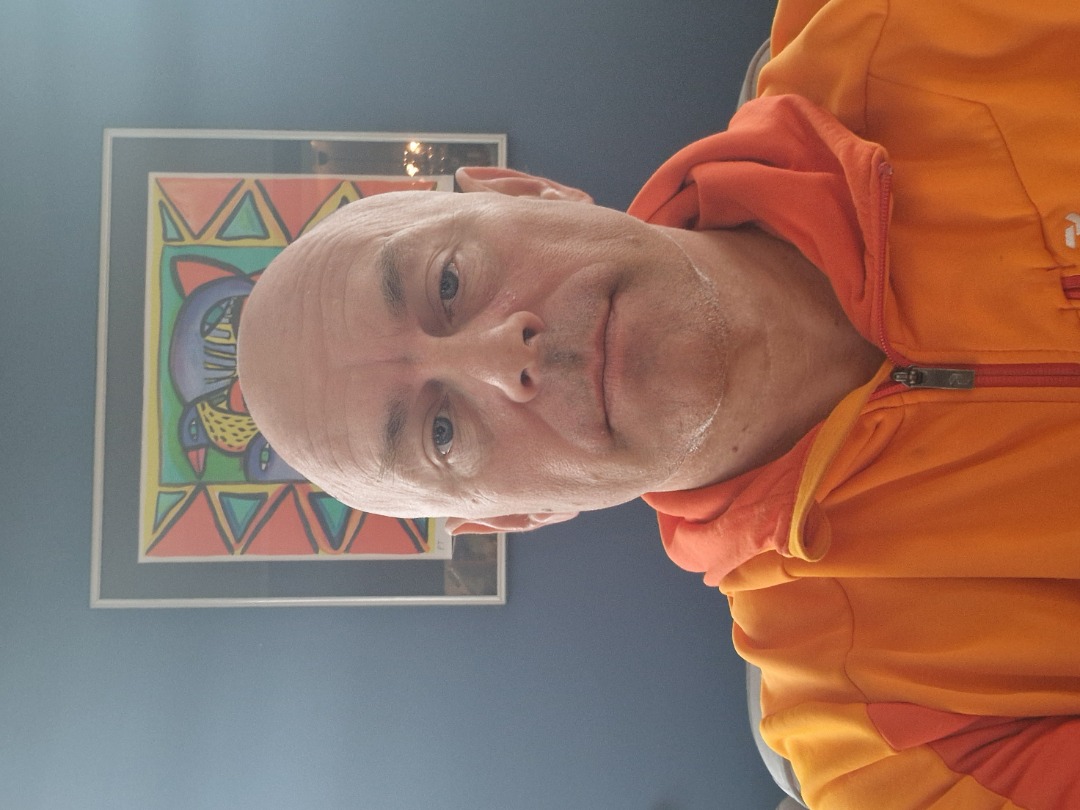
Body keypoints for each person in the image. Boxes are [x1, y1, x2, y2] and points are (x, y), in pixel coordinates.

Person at [238, 0, 1080, 807]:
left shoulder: (912, 23)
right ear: (516, 515)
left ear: (527, 191)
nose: (505, 360)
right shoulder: (884, 750)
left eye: (449, 282)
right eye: (443, 430)